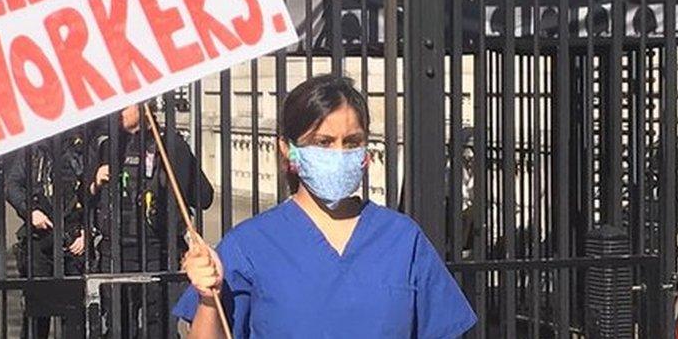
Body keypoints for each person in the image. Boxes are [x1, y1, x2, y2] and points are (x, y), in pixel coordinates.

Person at [173, 74, 477, 338]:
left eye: (352, 141)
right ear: (287, 150)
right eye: (323, 142)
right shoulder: (249, 245)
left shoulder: (401, 239)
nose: (339, 153)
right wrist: (207, 298)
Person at [88, 102, 214, 337]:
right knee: (118, 326)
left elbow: (204, 197)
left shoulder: (169, 145)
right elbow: (83, 200)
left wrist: (176, 166)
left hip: (158, 251)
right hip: (114, 252)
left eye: (125, 105)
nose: (119, 111)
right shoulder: (106, 147)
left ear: (145, 106)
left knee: (158, 326)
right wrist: (95, 183)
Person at [6, 127, 94, 339]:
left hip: (73, 240)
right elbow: (12, 185)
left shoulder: (83, 149)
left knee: (74, 317)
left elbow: (95, 195)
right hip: (39, 241)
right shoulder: (34, 148)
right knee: (37, 314)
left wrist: (87, 232)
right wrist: (30, 211)